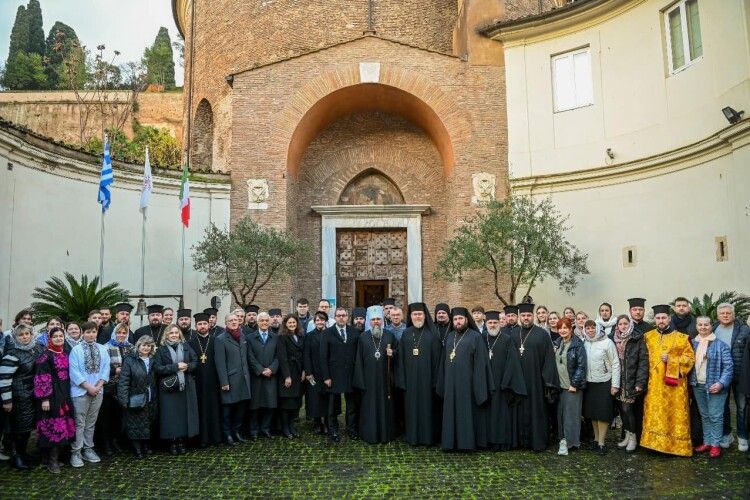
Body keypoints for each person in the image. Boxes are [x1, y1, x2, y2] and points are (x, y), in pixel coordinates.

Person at [641, 304, 695, 456]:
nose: (661, 320)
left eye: (664, 317)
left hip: (675, 388)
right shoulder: (648, 337)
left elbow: (690, 359)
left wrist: (671, 359)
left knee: (673, 416)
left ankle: (675, 446)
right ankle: (652, 445)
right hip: (653, 386)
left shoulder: (682, 338)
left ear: (669, 318)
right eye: (658, 318)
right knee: (654, 414)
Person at [436, 307, 492, 451]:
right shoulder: (450, 337)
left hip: (468, 385)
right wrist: (442, 383)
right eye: (455, 319)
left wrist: (479, 386)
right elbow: (443, 362)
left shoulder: (475, 337)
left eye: (460, 319)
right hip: (450, 385)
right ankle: (450, 443)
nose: (458, 322)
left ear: (467, 320)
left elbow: (481, 364)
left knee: (467, 414)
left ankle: (467, 444)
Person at [510, 303, 560, 452]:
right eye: (523, 316)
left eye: (528, 315)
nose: (526, 318)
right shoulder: (513, 334)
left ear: (533, 316)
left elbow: (549, 359)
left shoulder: (542, 334)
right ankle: (519, 441)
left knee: (537, 411)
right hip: (518, 382)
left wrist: (547, 383)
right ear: (519, 317)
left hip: (536, 382)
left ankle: (537, 442)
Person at [396, 303, 442, 446]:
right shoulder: (406, 333)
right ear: (410, 316)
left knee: (428, 410)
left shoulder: (432, 334)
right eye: (414, 314)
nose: (417, 317)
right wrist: (402, 380)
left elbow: (438, 360)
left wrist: (435, 381)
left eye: (420, 314)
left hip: (428, 382)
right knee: (411, 409)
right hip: (410, 382)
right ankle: (413, 437)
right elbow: (401, 358)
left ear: (424, 315)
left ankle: (428, 438)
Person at [0, 325, 45, 469]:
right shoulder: (11, 354)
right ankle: (16, 456)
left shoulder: (37, 349)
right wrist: (7, 401)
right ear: (15, 337)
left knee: (28, 428)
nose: (25, 337)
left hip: (34, 395)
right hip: (19, 396)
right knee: (18, 429)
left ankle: (23, 452)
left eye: (27, 334)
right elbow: (4, 379)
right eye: (21, 335)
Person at [482, 310, 526, 451]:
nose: (493, 325)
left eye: (495, 322)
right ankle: (486, 442)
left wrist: (506, 383)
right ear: (486, 323)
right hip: (485, 383)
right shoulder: (481, 338)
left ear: (500, 324)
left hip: (502, 384)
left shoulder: (507, 339)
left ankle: (501, 442)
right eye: (490, 323)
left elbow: (512, 363)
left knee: (501, 415)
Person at [32, 327, 75, 473]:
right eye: (55, 336)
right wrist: (44, 399)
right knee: (52, 427)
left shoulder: (66, 353)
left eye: (61, 336)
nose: (58, 338)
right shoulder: (45, 356)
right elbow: (41, 378)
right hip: (51, 396)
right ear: (50, 338)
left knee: (63, 426)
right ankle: (51, 461)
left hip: (64, 394)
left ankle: (53, 458)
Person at [68, 321, 110, 467]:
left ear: (96, 333)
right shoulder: (76, 350)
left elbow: (106, 368)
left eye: (93, 332)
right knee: (79, 422)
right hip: (80, 391)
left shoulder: (103, 349)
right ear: (82, 333)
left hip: (98, 391)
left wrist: (98, 386)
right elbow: (74, 372)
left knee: (91, 423)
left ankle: (88, 449)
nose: (91, 334)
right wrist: (88, 387)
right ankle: (76, 452)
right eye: (87, 332)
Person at [691, 316, 733, 458]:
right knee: (705, 415)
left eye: (706, 324)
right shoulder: (692, 344)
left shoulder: (721, 345)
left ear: (711, 326)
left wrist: (721, 383)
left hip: (715, 386)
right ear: (696, 326)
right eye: (700, 324)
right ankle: (707, 441)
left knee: (715, 416)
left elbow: (729, 367)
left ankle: (715, 444)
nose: (703, 327)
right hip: (698, 385)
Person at [353, 306, 397, 444]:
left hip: (385, 380)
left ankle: (386, 434)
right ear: (369, 321)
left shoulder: (390, 336)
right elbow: (358, 361)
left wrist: (393, 354)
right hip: (369, 380)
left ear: (382, 320)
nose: (376, 322)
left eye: (378, 319)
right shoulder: (363, 337)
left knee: (385, 407)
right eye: (373, 320)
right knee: (369, 407)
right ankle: (369, 434)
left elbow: (398, 356)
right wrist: (361, 381)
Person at [154, 324, 199, 454]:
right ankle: (172, 442)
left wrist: (188, 367)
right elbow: (158, 368)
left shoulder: (186, 347)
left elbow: (195, 361)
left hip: (185, 386)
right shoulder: (161, 350)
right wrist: (175, 367)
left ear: (179, 334)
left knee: (183, 415)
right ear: (166, 335)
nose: (174, 335)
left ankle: (181, 440)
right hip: (169, 387)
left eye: (176, 332)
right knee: (170, 416)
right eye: (171, 333)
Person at [713, 302, 749, 452]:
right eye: (722, 313)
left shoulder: (744, 329)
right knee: (723, 406)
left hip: (741, 374)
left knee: (741, 407)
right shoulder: (713, 328)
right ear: (718, 315)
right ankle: (726, 435)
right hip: (720, 375)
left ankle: (742, 436)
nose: (726, 315)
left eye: (728, 313)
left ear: (733, 314)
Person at [320, 307, 360, 442]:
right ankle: (333, 431)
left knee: (351, 406)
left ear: (347, 317)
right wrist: (326, 377)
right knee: (332, 406)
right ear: (335, 317)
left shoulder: (355, 333)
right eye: (338, 315)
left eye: (343, 315)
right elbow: (323, 357)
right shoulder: (327, 333)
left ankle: (352, 430)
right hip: (333, 375)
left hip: (350, 375)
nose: (341, 318)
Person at [582, 319, 620, 454]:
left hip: (605, 381)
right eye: (588, 328)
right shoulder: (584, 342)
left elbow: (615, 363)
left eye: (593, 328)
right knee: (593, 413)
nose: (590, 330)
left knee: (603, 414)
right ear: (585, 330)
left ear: (597, 328)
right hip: (590, 382)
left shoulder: (607, 342)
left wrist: (615, 385)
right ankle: (596, 440)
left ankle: (602, 443)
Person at [611, 314, 648, 452]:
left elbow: (643, 362)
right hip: (618, 380)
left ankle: (633, 438)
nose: (623, 326)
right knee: (622, 410)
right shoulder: (613, 338)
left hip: (631, 380)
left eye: (625, 324)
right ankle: (627, 435)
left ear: (630, 324)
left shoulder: (637, 339)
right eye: (620, 324)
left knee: (628, 409)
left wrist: (640, 382)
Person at [117, 335, 157, 458]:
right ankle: (137, 449)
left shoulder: (153, 360)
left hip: (151, 397)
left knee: (148, 422)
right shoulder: (130, 360)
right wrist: (123, 399)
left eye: (148, 345)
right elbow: (124, 380)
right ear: (138, 346)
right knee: (135, 424)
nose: (146, 348)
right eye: (143, 345)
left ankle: (146, 446)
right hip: (135, 397)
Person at [214, 312, 252, 445]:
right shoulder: (220, 339)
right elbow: (220, 362)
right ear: (226, 323)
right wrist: (224, 381)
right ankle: (227, 435)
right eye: (231, 320)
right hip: (230, 380)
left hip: (244, 379)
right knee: (227, 410)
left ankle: (236, 432)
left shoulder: (242, 336)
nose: (234, 322)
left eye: (236, 320)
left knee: (240, 409)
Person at [97, 322, 134, 457]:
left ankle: (116, 441)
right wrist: (114, 370)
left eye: (124, 333)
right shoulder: (106, 347)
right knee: (107, 417)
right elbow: (101, 367)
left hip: (124, 387)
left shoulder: (131, 347)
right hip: (109, 387)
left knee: (119, 417)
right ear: (114, 333)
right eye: (119, 332)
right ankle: (106, 443)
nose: (121, 335)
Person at [188, 312, 223, 447]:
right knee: (200, 409)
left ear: (209, 324)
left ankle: (215, 437)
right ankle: (201, 439)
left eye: (204, 323)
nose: (202, 326)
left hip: (214, 381)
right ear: (196, 326)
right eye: (199, 324)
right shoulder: (190, 343)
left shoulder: (216, 341)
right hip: (197, 382)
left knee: (214, 408)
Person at [554, 318, 586, 456]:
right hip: (560, 386)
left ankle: (570, 442)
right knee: (560, 415)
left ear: (570, 329)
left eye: (565, 328)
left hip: (572, 387)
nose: (562, 330)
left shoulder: (577, 345)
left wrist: (574, 384)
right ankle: (563, 439)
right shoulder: (557, 343)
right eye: (560, 328)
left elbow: (581, 366)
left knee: (571, 416)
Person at [247, 312, 279, 439]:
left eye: (267, 320)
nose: (265, 323)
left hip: (271, 376)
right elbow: (250, 357)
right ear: (258, 322)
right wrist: (260, 370)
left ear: (270, 322)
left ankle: (266, 428)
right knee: (255, 406)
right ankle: (254, 430)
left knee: (270, 404)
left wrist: (271, 369)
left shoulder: (275, 337)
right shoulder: (250, 338)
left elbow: (278, 356)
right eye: (262, 321)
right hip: (256, 377)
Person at [277, 314, 305, 439]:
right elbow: (282, 358)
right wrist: (287, 376)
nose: (292, 325)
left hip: (299, 372)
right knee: (286, 403)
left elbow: (303, 355)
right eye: (290, 323)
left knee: (295, 402)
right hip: (287, 373)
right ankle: (285, 428)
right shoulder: (282, 337)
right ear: (285, 324)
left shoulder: (300, 336)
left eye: (294, 323)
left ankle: (291, 426)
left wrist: (304, 370)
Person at [303, 311, 329, 435]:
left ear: (326, 321)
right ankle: (317, 422)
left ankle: (327, 421)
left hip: (327, 372)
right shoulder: (309, 336)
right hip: (313, 372)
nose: (320, 322)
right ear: (314, 322)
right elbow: (306, 355)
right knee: (314, 398)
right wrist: (308, 372)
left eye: (322, 320)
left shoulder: (330, 334)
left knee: (327, 397)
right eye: (317, 320)